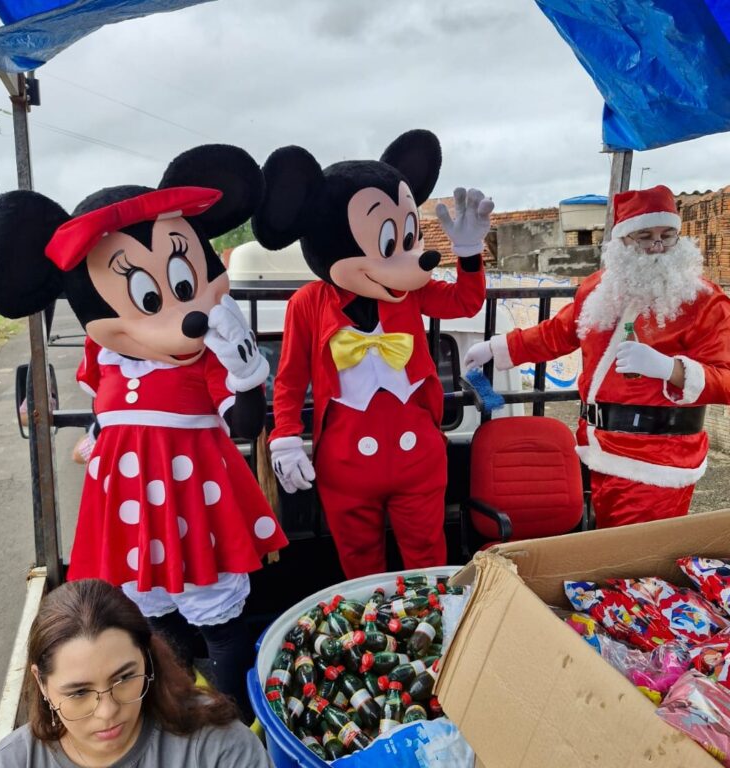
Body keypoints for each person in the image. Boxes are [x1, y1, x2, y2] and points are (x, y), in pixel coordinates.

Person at [0, 145, 288, 716]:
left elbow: (245, 426)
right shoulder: (105, 354)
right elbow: (106, 407)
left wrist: (246, 371)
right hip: (127, 509)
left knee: (219, 616)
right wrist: (96, 437)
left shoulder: (207, 356)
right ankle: (185, 696)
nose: (176, 316)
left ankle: (240, 714)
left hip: (197, 505)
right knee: (152, 612)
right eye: (148, 298)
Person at [252, 130, 490, 578]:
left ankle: (434, 632)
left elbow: (465, 303)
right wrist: (285, 435)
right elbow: (289, 378)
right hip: (344, 462)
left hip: (417, 455)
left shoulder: (410, 294)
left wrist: (470, 254)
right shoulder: (308, 303)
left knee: (428, 558)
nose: (409, 259)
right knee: (359, 564)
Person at [464, 184, 730, 528]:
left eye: (668, 235)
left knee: (636, 563)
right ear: (622, 241)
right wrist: (497, 348)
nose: (659, 246)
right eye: (645, 236)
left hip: (660, 462)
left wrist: (670, 369)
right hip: (597, 451)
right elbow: (556, 334)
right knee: (606, 555)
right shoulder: (597, 289)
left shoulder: (704, 299)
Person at [0, 579, 273, 768]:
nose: (108, 711)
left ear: (146, 660)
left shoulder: (217, 745)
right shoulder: (13, 761)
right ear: (42, 684)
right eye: (79, 693)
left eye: (123, 679)